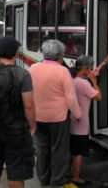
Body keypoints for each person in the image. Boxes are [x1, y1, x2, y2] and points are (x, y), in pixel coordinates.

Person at [0, 36, 36, 188]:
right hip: (16, 131)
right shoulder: (23, 74)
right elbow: (29, 105)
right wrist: (32, 127)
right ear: (16, 53)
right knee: (16, 170)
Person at [29, 39, 82, 186]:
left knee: (42, 147)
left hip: (38, 116)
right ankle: (57, 180)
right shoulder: (63, 71)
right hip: (58, 118)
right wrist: (77, 115)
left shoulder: (33, 68)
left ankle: (43, 178)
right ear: (60, 56)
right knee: (59, 149)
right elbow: (71, 98)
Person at [70, 56, 101, 186]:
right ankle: (76, 178)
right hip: (81, 123)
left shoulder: (70, 79)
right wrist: (94, 81)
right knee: (79, 152)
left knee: (71, 149)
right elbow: (98, 97)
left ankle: (67, 171)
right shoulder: (84, 83)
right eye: (90, 68)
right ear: (85, 69)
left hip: (70, 120)